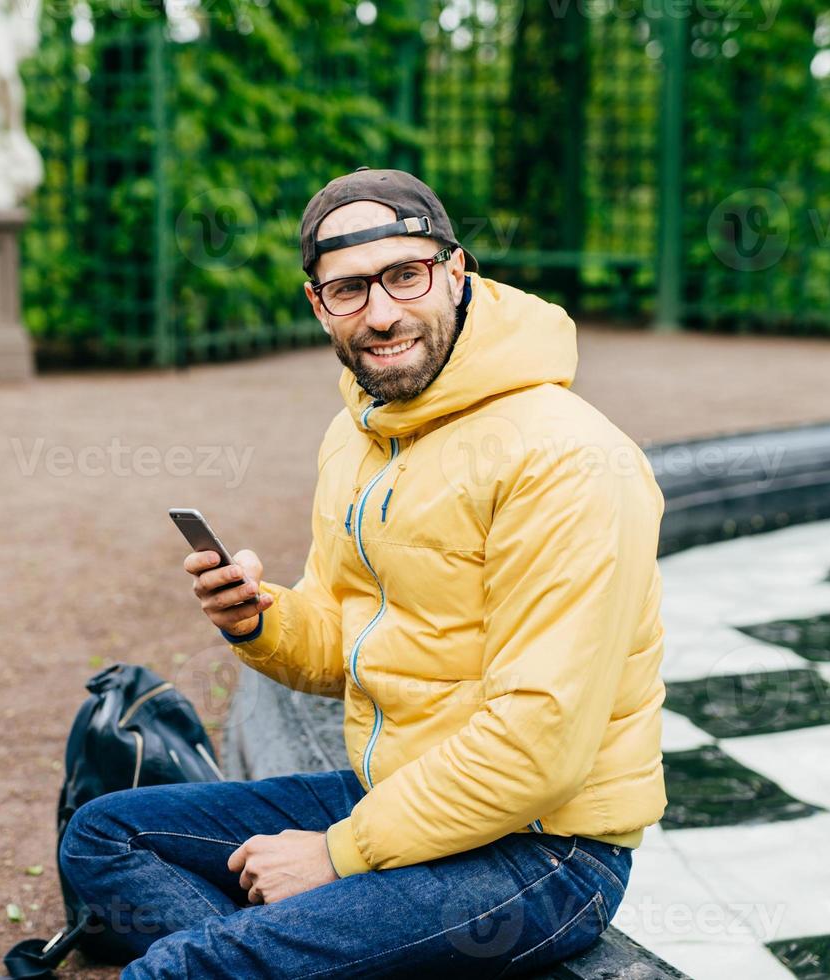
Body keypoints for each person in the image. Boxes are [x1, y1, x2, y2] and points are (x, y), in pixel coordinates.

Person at [59, 168, 668, 978]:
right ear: (318, 306)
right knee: (104, 835)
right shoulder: (359, 434)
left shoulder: (568, 457)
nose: (381, 314)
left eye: (404, 276)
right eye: (349, 289)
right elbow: (342, 640)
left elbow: (537, 745)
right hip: (397, 798)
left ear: (457, 273)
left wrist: (337, 857)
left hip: (543, 854)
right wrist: (257, 619)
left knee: (183, 969)